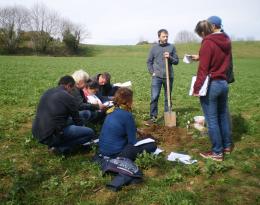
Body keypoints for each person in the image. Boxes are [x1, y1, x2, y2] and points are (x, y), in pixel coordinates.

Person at [192, 20, 232, 161]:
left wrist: (196, 88)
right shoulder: (226, 40)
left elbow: (203, 69)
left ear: (203, 32)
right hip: (223, 82)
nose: (201, 38)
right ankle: (226, 146)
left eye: (200, 35)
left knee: (212, 120)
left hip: (212, 85)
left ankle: (217, 152)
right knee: (222, 116)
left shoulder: (208, 42)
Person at [32, 75, 95, 154]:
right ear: (68, 86)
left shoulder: (48, 91)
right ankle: (61, 148)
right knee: (90, 133)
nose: (72, 92)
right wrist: (83, 128)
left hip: (36, 132)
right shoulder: (68, 97)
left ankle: (55, 142)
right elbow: (78, 121)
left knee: (82, 115)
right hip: (50, 136)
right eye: (72, 89)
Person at [98, 87, 157, 161]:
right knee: (152, 145)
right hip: (116, 154)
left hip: (102, 150)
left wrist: (136, 130)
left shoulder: (111, 110)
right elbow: (132, 141)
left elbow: (120, 127)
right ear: (128, 101)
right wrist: (142, 138)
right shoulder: (127, 115)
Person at [145, 29, 179, 126]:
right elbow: (149, 61)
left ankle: (167, 117)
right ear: (159, 37)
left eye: (167, 36)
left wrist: (170, 57)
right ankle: (153, 117)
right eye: (164, 36)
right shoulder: (154, 48)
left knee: (167, 97)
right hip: (157, 77)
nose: (166, 38)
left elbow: (176, 61)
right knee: (154, 97)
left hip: (169, 77)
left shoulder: (171, 47)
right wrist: (152, 72)